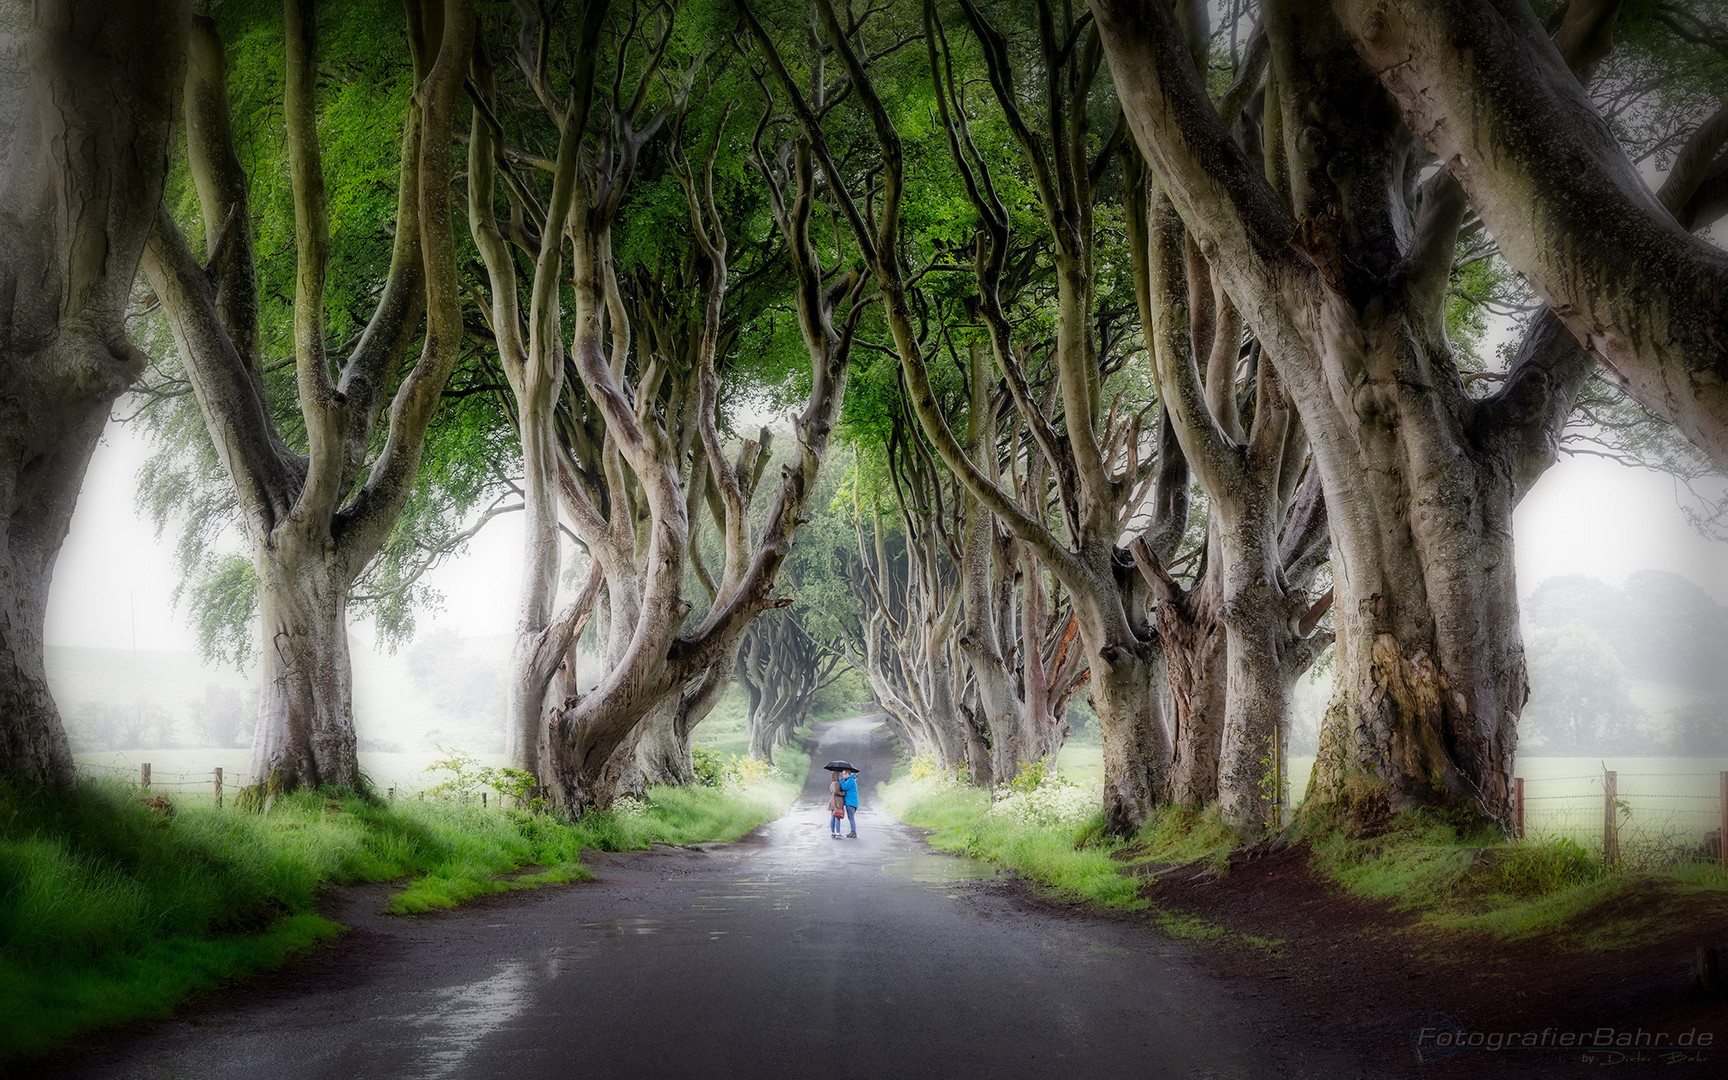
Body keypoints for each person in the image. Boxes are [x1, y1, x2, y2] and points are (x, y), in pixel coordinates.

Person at [839, 768, 859, 838]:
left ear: (848, 774)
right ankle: (853, 831)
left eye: (844, 774)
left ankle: (853, 832)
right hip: (852, 802)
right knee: (851, 817)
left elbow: (844, 787)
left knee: (851, 818)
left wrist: (840, 780)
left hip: (851, 802)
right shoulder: (850, 780)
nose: (843, 775)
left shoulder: (850, 780)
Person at [828, 771, 846, 838]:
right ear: (836, 776)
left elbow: (832, 792)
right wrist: (843, 793)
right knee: (837, 817)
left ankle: (832, 832)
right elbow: (836, 792)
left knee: (833, 817)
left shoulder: (832, 783)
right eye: (839, 775)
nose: (840, 776)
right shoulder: (837, 783)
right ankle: (838, 833)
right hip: (837, 802)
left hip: (832, 801)